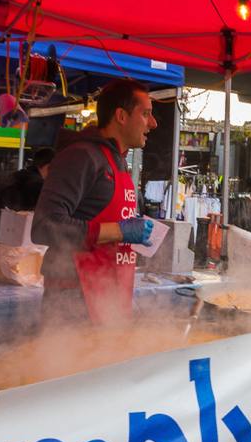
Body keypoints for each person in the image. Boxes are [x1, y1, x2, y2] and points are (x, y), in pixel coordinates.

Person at [32, 80, 157, 325]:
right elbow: (44, 225)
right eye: (146, 114)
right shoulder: (81, 155)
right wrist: (119, 231)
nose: (152, 123)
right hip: (73, 297)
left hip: (106, 292)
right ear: (121, 116)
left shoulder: (116, 159)